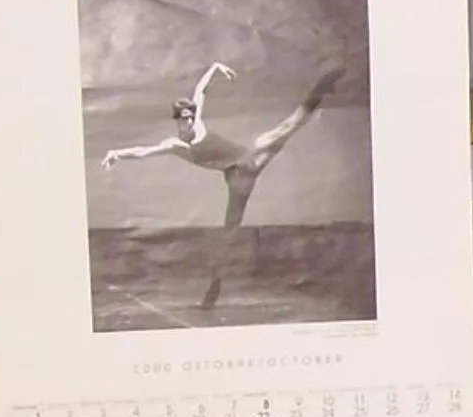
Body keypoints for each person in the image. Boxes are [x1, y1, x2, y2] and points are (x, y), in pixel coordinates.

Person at [100, 60, 344, 309]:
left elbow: (201, 89)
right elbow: (144, 151)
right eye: (184, 119)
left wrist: (216, 67)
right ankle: (214, 287)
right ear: (177, 121)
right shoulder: (175, 145)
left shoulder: (200, 125)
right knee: (229, 232)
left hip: (250, 156)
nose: (190, 122)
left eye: (192, 117)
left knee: (289, 126)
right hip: (238, 179)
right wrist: (117, 153)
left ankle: (322, 87)